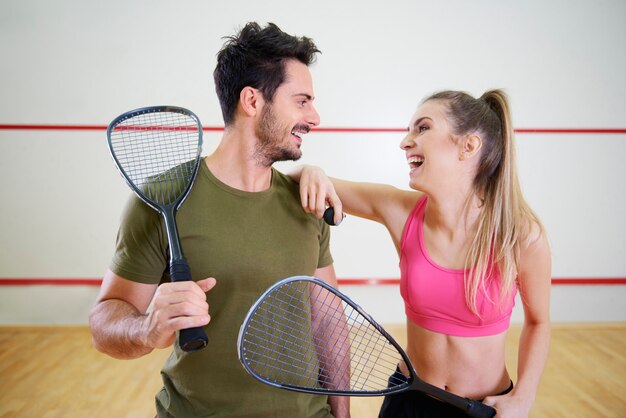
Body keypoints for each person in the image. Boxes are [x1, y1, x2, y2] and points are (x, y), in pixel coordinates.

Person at [89, 22, 349, 418]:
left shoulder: (307, 200)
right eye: (302, 101)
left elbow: (327, 322)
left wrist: (342, 414)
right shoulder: (162, 198)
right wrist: (146, 328)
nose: (314, 116)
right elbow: (105, 323)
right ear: (252, 100)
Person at [293, 89, 551, 418]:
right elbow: (299, 180)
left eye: (423, 128)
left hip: (485, 408)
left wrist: (523, 398)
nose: (405, 141)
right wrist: (312, 170)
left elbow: (539, 322)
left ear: (468, 146)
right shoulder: (399, 210)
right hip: (408, 400)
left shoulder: (521, 236)